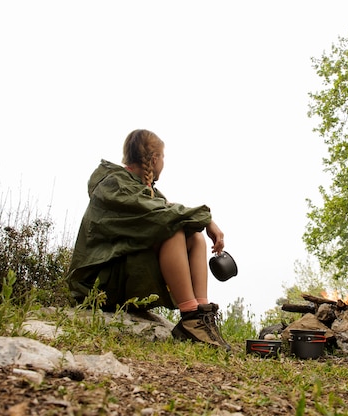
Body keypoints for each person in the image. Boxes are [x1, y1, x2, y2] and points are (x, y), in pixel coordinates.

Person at [67, 129, 230, 350]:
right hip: (99, 283)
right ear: (154, 159)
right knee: (172, 232)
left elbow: (170, 211)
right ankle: (190, 316)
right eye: (163, 157)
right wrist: (208, 219)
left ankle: (201, 316)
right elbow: (163, 217)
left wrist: (203, 223)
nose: (163, 162)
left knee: (194, 237)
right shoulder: (114, 184)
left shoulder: (146, 189)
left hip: (122, 273)